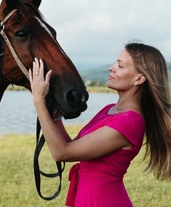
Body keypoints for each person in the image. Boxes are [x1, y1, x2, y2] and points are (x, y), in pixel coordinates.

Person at [28, 42, 171, 207]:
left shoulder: (129, 122)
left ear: (139, 79)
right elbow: (71, 146)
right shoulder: (109, 110)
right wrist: (55, 114)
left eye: (120, 65)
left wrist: (38, 100)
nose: (111, 68)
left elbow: (62, 153)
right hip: (87, 198)